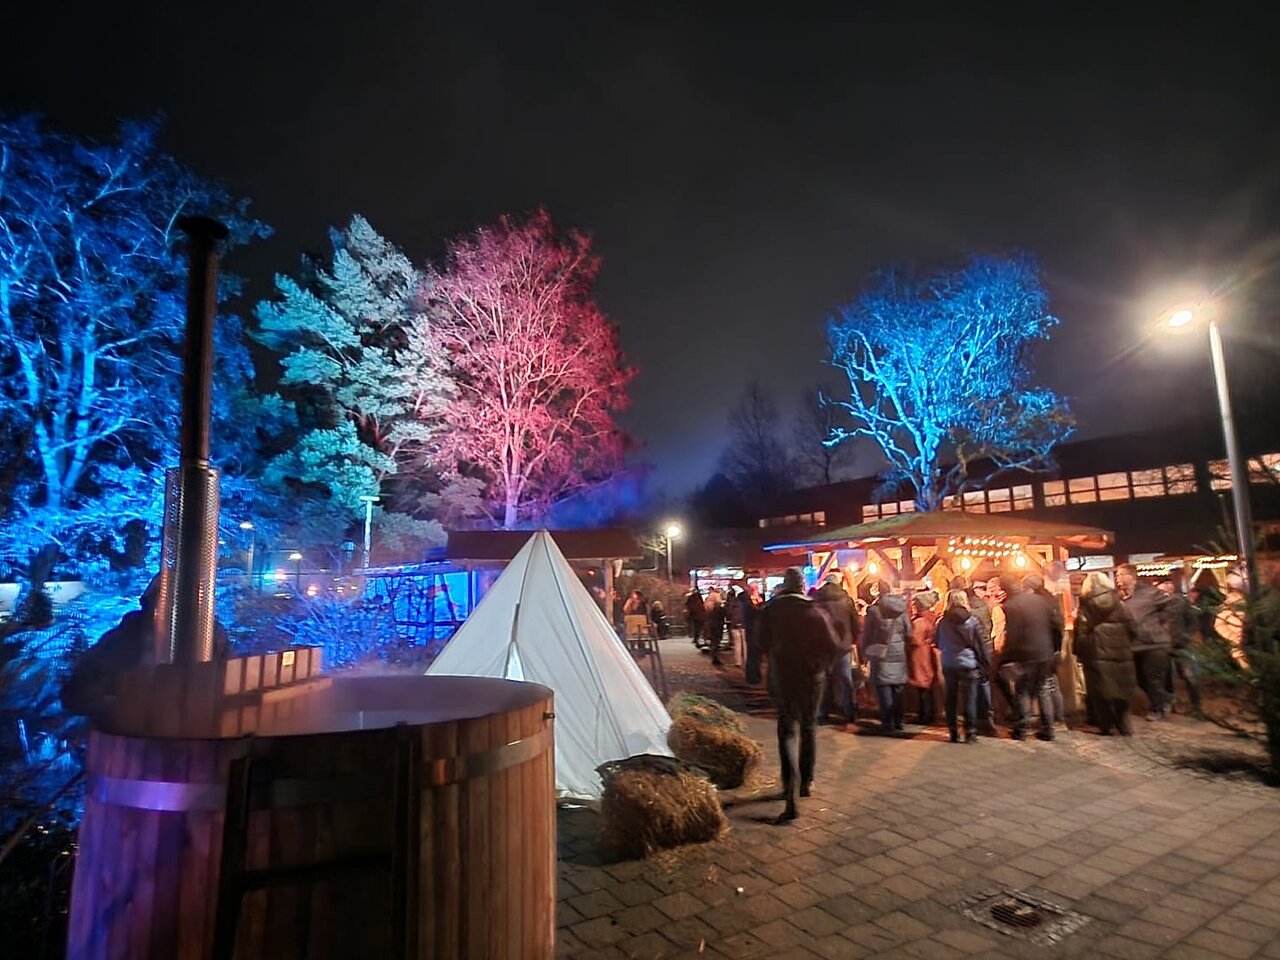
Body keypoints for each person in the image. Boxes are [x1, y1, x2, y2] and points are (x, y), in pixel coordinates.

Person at [62, 575, 229, 716]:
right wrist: (121, 706)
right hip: (132, 737)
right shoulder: (123, 640)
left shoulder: (212, 639)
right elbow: (76, 693)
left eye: (180, 605)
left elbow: (227, 692)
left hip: (193, 735)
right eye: (161, 604)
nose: (166, 613)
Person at [757, 567, 845, 823]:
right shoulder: (814, 610)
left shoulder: (771, 610)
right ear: (801, 586)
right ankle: (806, 781)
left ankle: (789, 786)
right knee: (808, 727)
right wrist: (819, 666)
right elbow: (834, 645)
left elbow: (760, 642)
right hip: (811, 678)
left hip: (782, 676)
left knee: (786, 730)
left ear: (785, 585)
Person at [1074, 571, 1139, 735]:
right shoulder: (1120, 603)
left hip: (1097, 656)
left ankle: (1107, 725)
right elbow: (1133, 628)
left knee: (1100, 692)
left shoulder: (1086, 608)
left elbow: (1081, 635)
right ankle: (1124, 724)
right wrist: (1125, 644)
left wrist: (1081, 653)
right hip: (1121, 654)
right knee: (1122, 689)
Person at [1003, 574, 1063, 741]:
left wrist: (1006, 656)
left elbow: (1012, 635)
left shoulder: (1012, 605)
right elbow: (1056, 626)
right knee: (1043, 689)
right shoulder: (1043, 601)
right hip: (1045, 652)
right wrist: (1055, 648)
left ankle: (1022, 729)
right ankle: (1048, 729)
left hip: (1025, 653)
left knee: (1022, 690)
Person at [1115, 563, 1173, 720]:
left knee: (1153, 678)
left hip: (1154, 644)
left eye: (1120, 574)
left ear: (1130, 576)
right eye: (1117, 575)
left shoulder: (1149, 593)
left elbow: (1173, 603)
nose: (1117, 578)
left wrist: (1162, 621)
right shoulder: (1121, 597)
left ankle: (1157, 709)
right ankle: (1164, 699)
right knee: (1139, 679)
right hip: (1134, 646)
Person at [935, 590, 989, 742]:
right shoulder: (972, 621)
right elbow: (980, 644)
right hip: (969, 663)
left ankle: (953, 732)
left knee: (950, 698)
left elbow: (938, 642)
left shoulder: (942, 622)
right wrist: (986, 662)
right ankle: (970, 732)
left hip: (949, 662)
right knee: (970, 698)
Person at [862, 580, 911, 733]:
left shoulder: (874, 610)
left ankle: (887, 722)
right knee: (898, 687)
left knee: (883, 686)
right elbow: (908, 630)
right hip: (899, 651)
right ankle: (899, 720)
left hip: (881, 651)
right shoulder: (902, 609)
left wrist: (865, 651)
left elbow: (867, 633)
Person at [813, 572, 860, 725]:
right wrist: (853, 639)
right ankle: (849, 711)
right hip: (843, 644)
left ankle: (822, 712)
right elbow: (854, 622)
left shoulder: (816, 599)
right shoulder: (846, 600)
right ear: (838, 582)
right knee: (846, 679)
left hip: (822, 644)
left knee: (824, 679)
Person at [1157, 571, 1202, 716]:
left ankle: (1196, 706)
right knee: (1166, 678)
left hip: (1181, 644)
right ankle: (1169, 704)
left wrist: (1186, 635)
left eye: (1169, 583)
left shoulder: (1181, 602)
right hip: (1162, 645)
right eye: (1164, 583)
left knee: (1189, 676)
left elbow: (1193, 621)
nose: (1167, 586)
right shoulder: (1155, 603)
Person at [907, 590, 939, 725]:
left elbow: (915, 639)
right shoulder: (932, 618)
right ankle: (928, 713)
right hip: (927, 654)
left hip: (920, 655)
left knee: (922, 686)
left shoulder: (920, 622)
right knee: (927, 685)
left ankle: (925, 715)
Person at [725, 585, 749, 666]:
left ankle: (738, 661)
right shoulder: (746, 602)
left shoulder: (731, 602)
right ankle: (746, 660)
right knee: (745, 643)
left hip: (734, 623)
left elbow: (728, 613)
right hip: (745, 623)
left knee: (737, 643)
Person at [704, 587, 727, 665]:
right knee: (716, 642)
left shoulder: (708, 606)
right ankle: (715, 658)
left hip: (711, 625)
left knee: (713, 641)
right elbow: (723, 615)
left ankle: (714, 656)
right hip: (717, 626)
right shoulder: (718, 608)